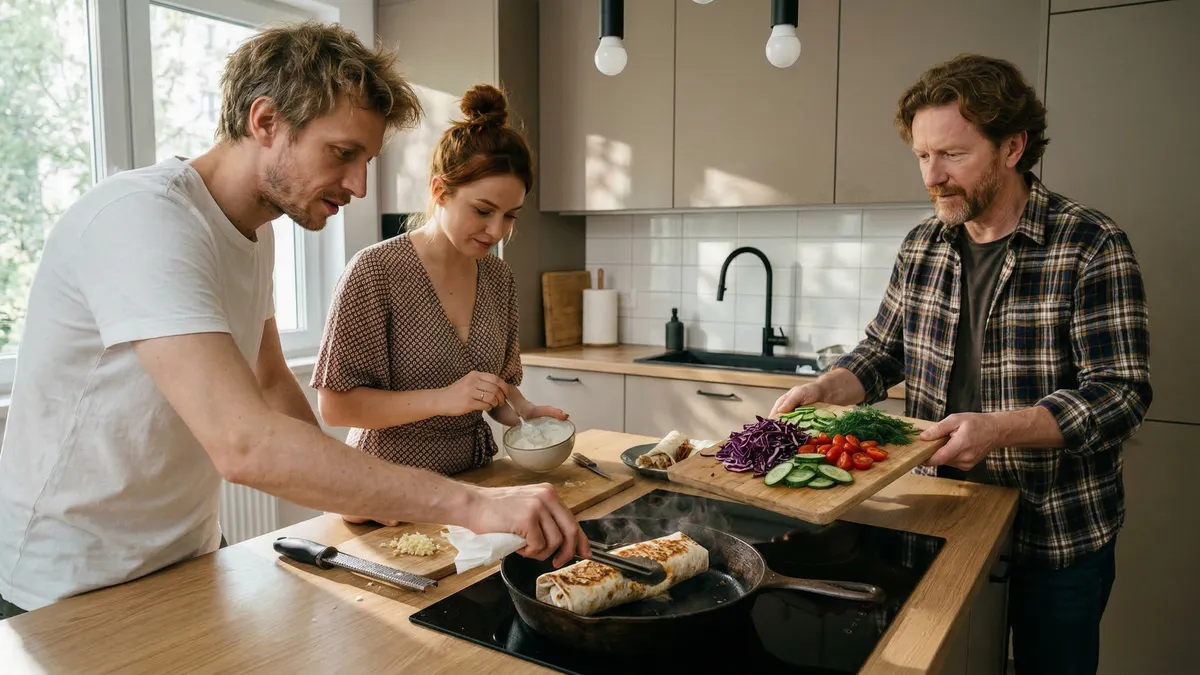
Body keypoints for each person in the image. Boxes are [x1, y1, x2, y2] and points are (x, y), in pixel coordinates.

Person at [0, 22, 587, 620]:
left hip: (186, 556)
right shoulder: (144, 220)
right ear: (265, 121)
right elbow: (243, 442)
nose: (359, 184)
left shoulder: (255, 238)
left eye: (367, 159)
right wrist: (477, 506)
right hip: (66, 581)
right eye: (343, 153)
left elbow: (271, 378)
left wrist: (355, 489)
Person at [770, 54, 1151, 675]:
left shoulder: (1090, 243)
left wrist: (997, 428)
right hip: (939, 519)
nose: (933, 176)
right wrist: (830, 385)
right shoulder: (922, 245)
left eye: (952, 155)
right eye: (922, 156)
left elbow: (1120, 395)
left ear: (1012, 147)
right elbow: (882, 350)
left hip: (1055, 530)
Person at [310, 83, 568, 528]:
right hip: (385, 499)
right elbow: (336, 406)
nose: (497, 230)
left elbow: (495, 388)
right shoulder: (376, 272)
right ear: (440, 191)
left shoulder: (498, 278)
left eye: (510, 215)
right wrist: (443, 399)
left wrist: (523, 413)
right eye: (483, 210)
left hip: (475, 484)